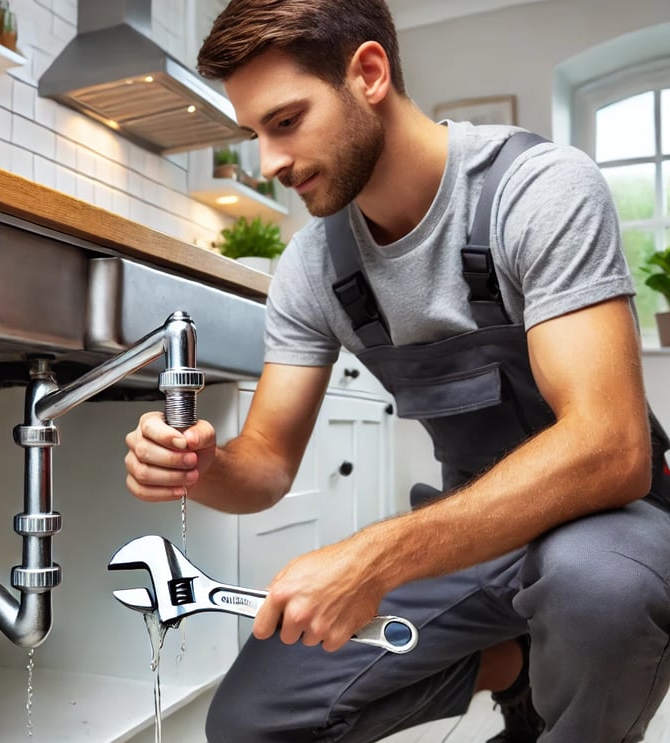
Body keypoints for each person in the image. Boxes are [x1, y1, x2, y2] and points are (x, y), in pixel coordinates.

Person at [124, 1, 670, 741]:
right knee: (251, 722)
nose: (269, 163)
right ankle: (516, 668)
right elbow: (266, 467)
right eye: (254, 134)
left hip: (609, 524)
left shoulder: (538, 190)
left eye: (285, 122)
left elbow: (611, 449)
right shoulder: (313, 268)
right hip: (478, 529)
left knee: (601, 588)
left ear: (369, 73)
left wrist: (373, 557)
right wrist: (204, 465)